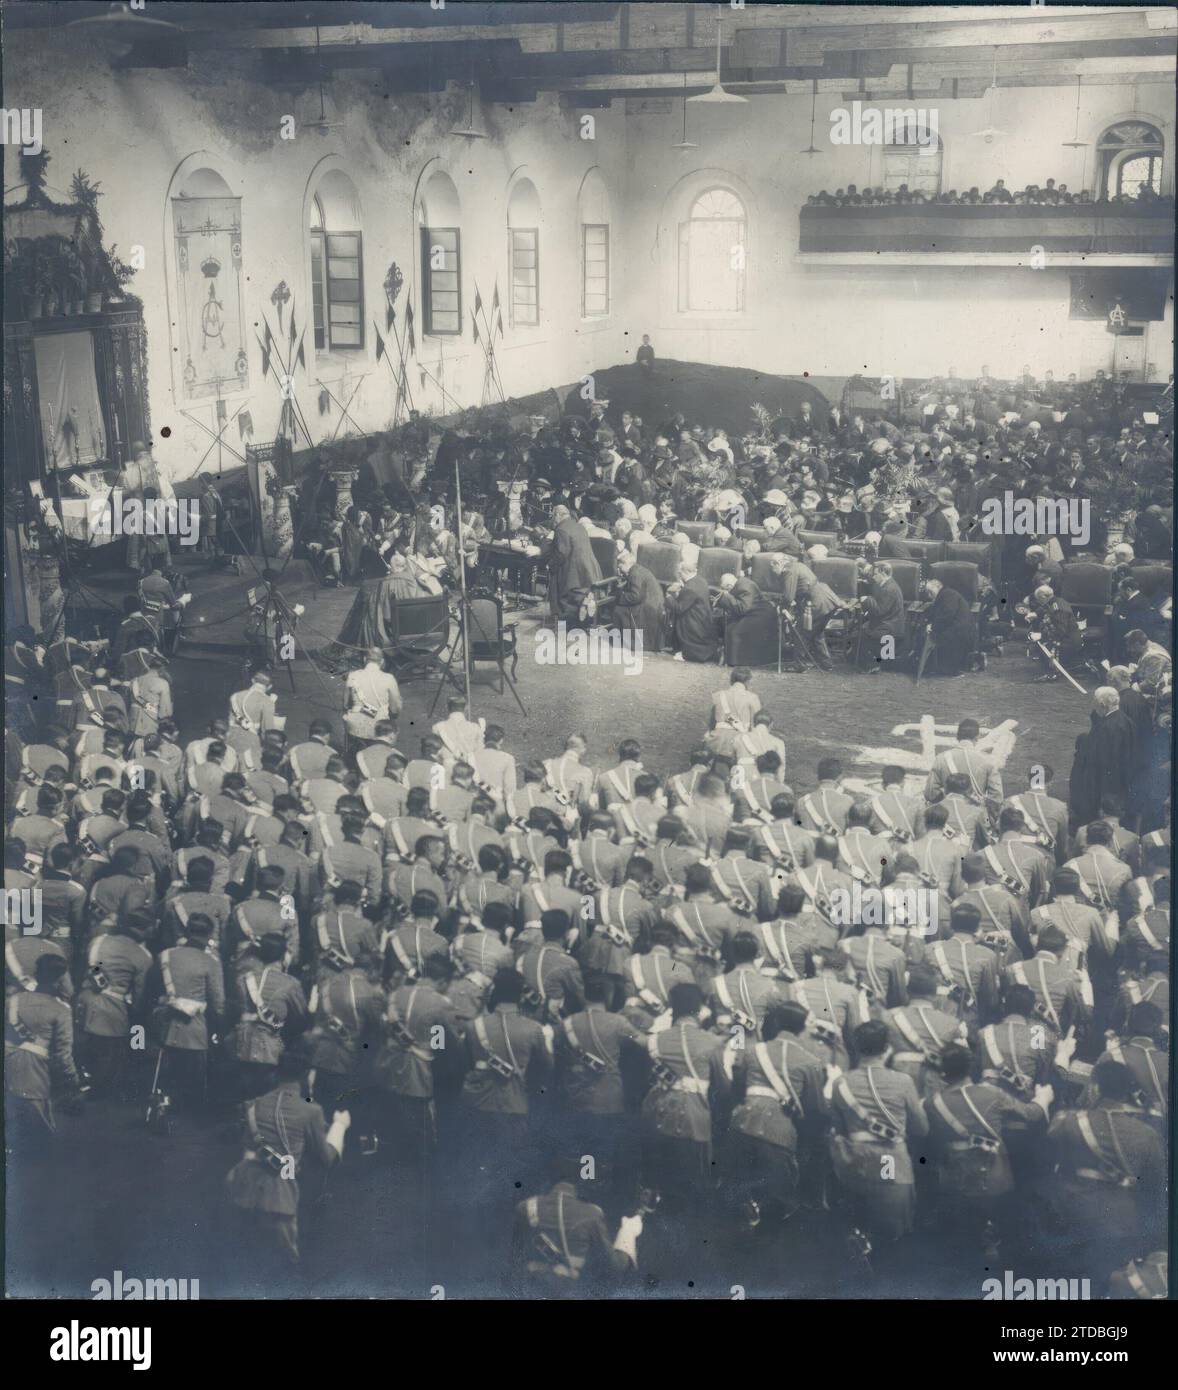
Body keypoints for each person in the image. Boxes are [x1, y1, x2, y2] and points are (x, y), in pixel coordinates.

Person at [225, 1042, 350, 1268]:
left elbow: (247, 1143)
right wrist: (340, 1127)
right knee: (286, 1265)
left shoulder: (253, 1105)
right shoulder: (311, 1110)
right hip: (280, 1196)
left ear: (277, 1073)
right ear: (307, 1076)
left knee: (244, 1259)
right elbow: (327, 1159)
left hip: (245, 1188)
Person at [546, 504, 603, 624]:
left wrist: (550, 565)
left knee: (555, 578)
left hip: (575, 573)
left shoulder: (561, 529)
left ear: (557, 515)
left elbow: (561, 554)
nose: (553, 519)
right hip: (590, 569)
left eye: (553, 516)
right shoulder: (579, 526)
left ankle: (564, 619)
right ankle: (584, 607)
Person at [344, 648, 402, 746]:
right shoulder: (388, 679)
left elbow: (345, 704)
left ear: (364, 659)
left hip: (355, 727)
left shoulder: (352, 676)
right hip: (379, 728)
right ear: (382, 662)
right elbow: (395, 709)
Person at [665, 561, 718, 663]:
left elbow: (679, 608)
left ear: (684, 572)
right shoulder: (701, 580)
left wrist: (668, 596)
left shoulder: (689, 588)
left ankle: (686, 652)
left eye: (679, 573)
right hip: (703, 619)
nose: (679, 575)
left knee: (677, 617)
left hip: (693, 623)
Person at [612, 550, 665, 652]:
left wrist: (619, 596)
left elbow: (635, 597)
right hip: (652, 604)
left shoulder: (635, 574)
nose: (620, 569)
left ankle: (623, 642)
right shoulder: (638, 570)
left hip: (647, 607)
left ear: (626, 564)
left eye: (620, 567)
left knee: (618, 610)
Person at [921, 577, 974, 677]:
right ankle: (936, 666)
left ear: (938, 586)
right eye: (927, 592)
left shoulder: (947, 594)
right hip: (957, 628)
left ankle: (943, 668)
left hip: (958, 630)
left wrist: (932, 626)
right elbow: (938, 614)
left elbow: (947, 614)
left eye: (930, 592)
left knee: (933, 637)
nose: (929, 595)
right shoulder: (944, 595)